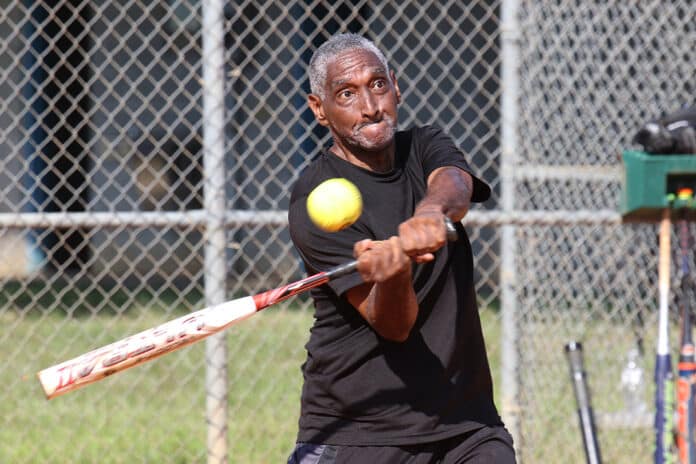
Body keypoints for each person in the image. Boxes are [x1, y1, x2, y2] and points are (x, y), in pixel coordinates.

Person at [286, 33, 515, 463]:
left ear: (396, 85)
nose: (370, 107)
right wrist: (393, 274)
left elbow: (455, 185)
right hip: (359, 432)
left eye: (377, 85)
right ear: (319, 109)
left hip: (466, 426)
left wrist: (430, 214)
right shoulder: (312, 200)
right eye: (346, 94)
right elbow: (393, 325)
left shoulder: (424, 145)